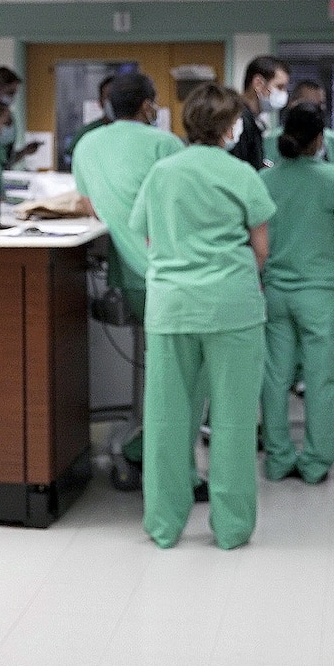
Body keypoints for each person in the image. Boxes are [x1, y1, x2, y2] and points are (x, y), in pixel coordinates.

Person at [129, 84, 275, 548]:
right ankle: (231, 529)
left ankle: (164, 525)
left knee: (167, 420)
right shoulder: (244, 175)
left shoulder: (161, 174)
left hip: (172, 308)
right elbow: (261, 250)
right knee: (232, 422)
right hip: (232, 307)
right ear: (231, 128)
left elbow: (149, 239)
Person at [258, 102, 334, 483]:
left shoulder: (264, 180)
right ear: (320, 139)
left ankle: (278, 458)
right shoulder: (333, 179)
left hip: (274, 290)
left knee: (275, 377)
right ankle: (317, 461)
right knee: (320, 378)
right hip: (317, 292)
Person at [72, 73, 181, 322]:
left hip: (125, 269)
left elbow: (91, 207)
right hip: (170, 267)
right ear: (146, 105)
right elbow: (182, 206)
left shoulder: (86, 145)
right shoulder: (166, 144)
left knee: (152, 346)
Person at [262, 80, 334, 171]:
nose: (316, 109)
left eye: (320, 104)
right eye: (309, 104)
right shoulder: (271, 140)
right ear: (292, 104)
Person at [230, 55, 288, 170]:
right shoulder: (238, 120)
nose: (284, 93)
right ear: (258, 84)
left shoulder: (253, 120)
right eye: (280, 87)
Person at [60, 75, 115, 172]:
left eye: (117, 97)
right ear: (100, 102)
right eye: (108, 97)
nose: (114, 101)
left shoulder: (137, 133)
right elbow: (72, 158)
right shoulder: (86, 133)